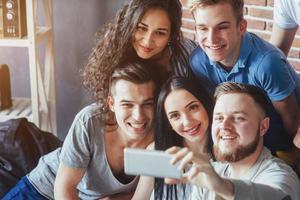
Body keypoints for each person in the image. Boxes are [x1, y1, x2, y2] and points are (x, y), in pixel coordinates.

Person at [3, 61, 163, 200]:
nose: (138, 116)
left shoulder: (159, 139)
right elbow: (64, 189)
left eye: (147, 104)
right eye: (127, 104)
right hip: (44, 190)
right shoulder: (90, 121)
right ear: (111, 104)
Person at [187, 0, 300, 153]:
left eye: (222, 27)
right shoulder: (198, 61)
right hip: (244, 146)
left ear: (241, 27)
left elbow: (292, 120)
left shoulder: (267, 64)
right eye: (203, 28)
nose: (211, 39)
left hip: (281, 148)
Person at [168, 82, 300, 200]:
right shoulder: (210, 172)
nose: (224, 126)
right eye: (219, 118)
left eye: (238, 118)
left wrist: (226, 188)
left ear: (263, 127)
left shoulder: (281, 176)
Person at [83, 0, 197, 110]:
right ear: (130, 25)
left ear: (171, 36)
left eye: (160, 33)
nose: (147, 41)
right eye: (142, 28)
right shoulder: (116, 54)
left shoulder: (189, 53)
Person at [132, 76, 214, 200]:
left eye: (193, 108)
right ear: (168, 123)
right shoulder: (156, 152)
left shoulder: (227, 154)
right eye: (175, 115)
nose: (187, 122)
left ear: (205, 105)